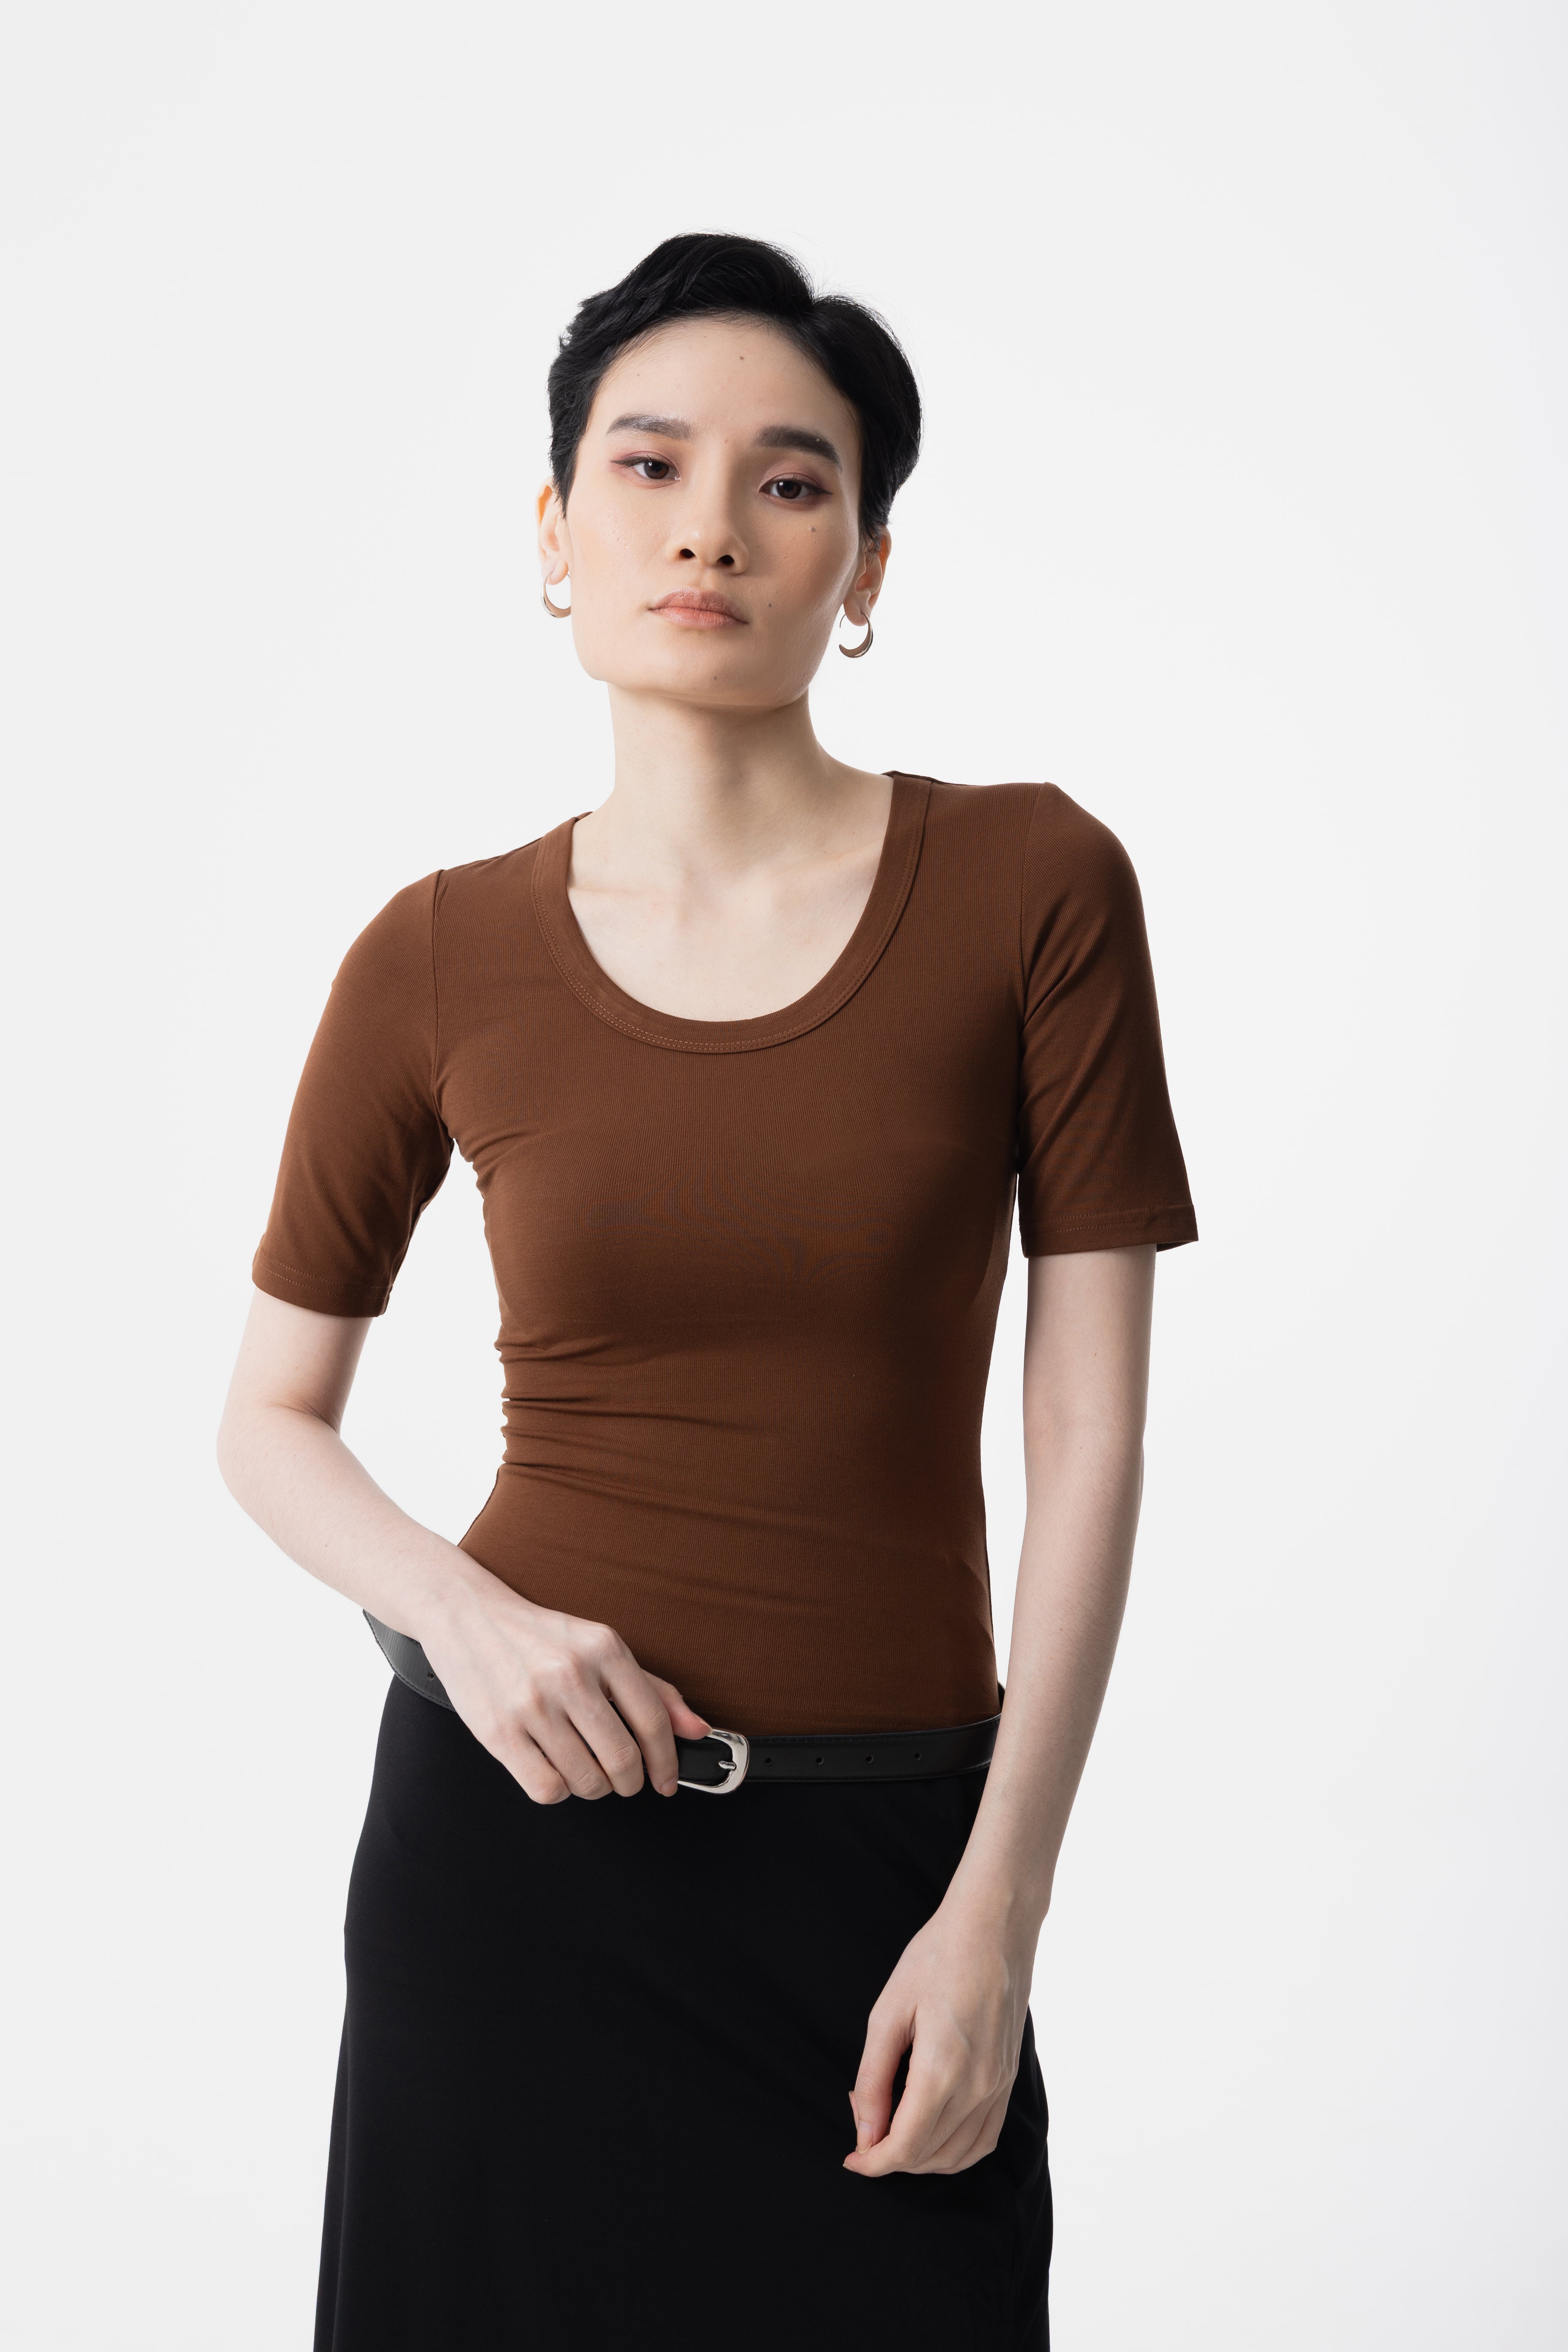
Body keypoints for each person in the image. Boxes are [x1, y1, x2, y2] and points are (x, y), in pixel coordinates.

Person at [217, 230, 1196, 2351]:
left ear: (867, 565)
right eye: (648, 465)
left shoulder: (1035, 886)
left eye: (790, 479)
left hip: (892, 1878)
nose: (709, 527)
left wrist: (999, 1910)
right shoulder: (435, 953)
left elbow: (1089, 1428)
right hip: (510, 1870)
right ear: (554, 533)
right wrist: (465, 1620)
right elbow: (269, 1417)